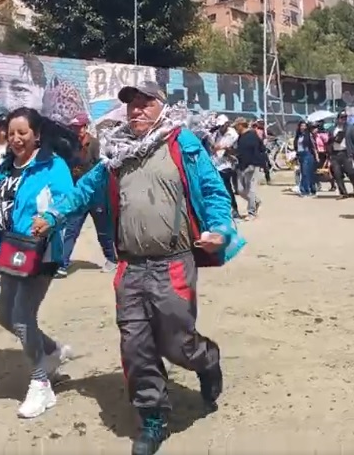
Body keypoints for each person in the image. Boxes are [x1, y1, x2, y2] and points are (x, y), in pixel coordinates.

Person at [31, 80, 239, 455]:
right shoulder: (115, 154)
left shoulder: (181, 143)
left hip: (173, 262)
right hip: (130, 265)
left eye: (145, 103)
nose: (137, 110)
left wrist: (221, 229)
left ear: (161, 106)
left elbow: (212, 189)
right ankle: (153, 416)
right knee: (135, 344)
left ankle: (207, 361)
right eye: (131, 105)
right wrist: (53, 214)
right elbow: (82, 192)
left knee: (177, 343)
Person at [0, 107, 76, 418]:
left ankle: (41, 385)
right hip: (11, 250)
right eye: (11, 133)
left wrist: (51, 216)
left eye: (22, 133)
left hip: (40, 252)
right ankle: (53, 351)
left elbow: (69, 199)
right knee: (5, 317)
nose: (15, 138)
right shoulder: (7, 167)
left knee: (23, 316)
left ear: (37, 135)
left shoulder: (52, 166)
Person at [59, 113, 117, 276]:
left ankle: (111, 259)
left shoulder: (95, 144)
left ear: (85, 127)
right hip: (78, 195)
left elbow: (102, 168)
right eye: (74, 128)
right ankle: (63, 263)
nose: (77, 131)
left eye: (80, 127)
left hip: (96, 194)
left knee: (103, 229)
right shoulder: (68, 146)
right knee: (71, 228)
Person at [209, 115, 241, 218]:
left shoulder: (232, 134)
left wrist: (220, 148)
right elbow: (214, 147)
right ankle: (222, 209)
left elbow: (224, 148)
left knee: (227, 188)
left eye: (222, 126)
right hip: (215, 163)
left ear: (227, 124)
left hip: (226, 165)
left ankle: (234, 209)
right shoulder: (216, 133)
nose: (221, 128)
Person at [234, 117, 266, 218]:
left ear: (241, 125)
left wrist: (258, 163)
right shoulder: (240, 137)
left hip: (252, 165)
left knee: (251, 189)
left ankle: (251, 212)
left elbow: (261, 149)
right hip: (241, 165)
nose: (235, 128)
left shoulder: (252, 135)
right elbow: (240, 151)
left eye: (236, 126)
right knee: (240, 190)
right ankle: (256, 201)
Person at [329, 113, 354, 198]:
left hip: (346, 152)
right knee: (337, 173)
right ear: (337, 119)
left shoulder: (350, 128)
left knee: (350, 171)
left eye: (345, 118)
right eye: (342, 118)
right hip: (335, 153)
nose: (343, 119)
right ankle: (343, 192)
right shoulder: (332, 129)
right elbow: (328, 141)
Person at [293, 120, 318, 197]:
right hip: (300, 155)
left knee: (306, 173)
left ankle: (306, 190)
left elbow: (313, 147)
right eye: (301, 126)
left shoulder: (308, 135)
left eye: (304, 126)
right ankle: (310, 189)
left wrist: (316, 156)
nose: (303, 127)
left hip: (307, 154)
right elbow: (296, 147)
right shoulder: (298, 136)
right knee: (304, 173)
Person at [253, 120, 272, 184]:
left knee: (265, 165)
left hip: (262, 148)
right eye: (260, 123)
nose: (261, 124)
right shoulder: (254, 130)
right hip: (256, 148)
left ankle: (268, 178)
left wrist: (265, 143)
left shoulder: (264, 130)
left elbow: (266, 138)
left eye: (262, 123)